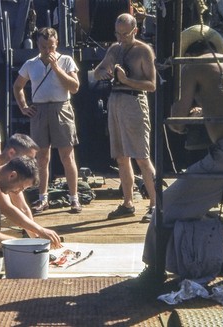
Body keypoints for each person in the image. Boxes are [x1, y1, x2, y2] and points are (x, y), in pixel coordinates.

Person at [131, 24, 223, 288]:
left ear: (187, 50)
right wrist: (206, 111)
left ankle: (153, 270)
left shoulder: (192, 66)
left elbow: (177, 121)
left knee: (166, 205)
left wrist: (183, 111)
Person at [93, 13, 157, 221]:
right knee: (121, 157)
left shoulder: (143, 51)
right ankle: (128, 202)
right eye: (118, 33)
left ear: (135, 31)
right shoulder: (114, 48)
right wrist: (103, 71)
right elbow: (98, 70)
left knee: (142, 157)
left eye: (125, 34)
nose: (121, 38)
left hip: (134, 101)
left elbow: (152, 85)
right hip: (115, 101)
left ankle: (156, 204)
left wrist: (127, 80)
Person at [13, 27, 82, 214]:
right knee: (42, 157)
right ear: (38, 44)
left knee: (67, 156)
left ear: (56, 43)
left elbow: (74, 87)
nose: (47, 50)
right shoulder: (30, 63)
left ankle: (74, 198)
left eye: (51, 46)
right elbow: (18, 86)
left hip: (61, 108)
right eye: (44, 46)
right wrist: (23, 107)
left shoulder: (66, 61)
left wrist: (56, 68)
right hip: (39, 110)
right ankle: (43, 199)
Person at [0, 133, 62, 246]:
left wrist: (37, 240)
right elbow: (6, 207)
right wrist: (40, 231)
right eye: (27, 158)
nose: (30, 164)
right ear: (11, 153)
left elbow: (22, 207)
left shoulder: (13, 172)